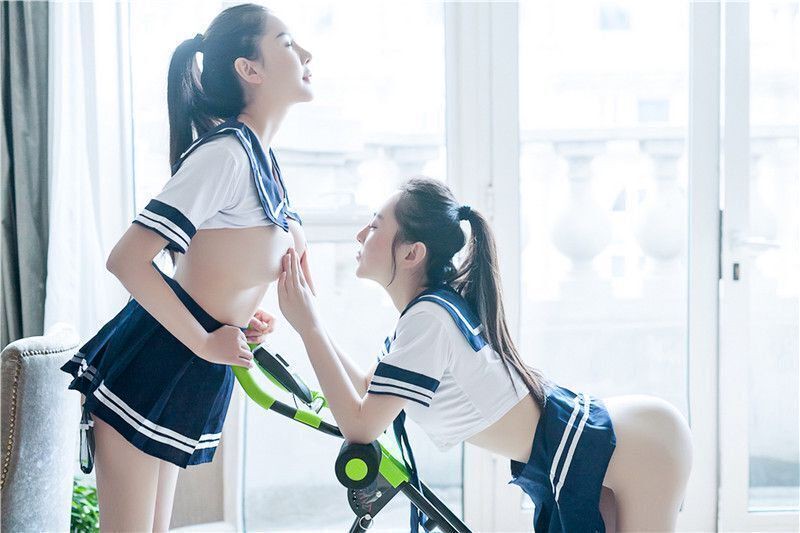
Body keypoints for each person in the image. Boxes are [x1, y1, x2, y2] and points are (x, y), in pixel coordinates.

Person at [276, 177, 693, 532]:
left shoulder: (429, 320)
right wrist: (307, 324)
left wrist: (309, 326)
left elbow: (361, 425)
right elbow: (368, 390)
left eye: (373, 226)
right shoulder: (427, 314)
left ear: (411, 253)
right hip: (621, 438)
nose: (359, 236)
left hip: (634, 445)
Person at [59, 4, 313, 531]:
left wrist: (240, 316)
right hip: (154, 360)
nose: (307, 54)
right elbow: (126, 259)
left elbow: (219, 263)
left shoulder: (261, 159)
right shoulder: (226, 155)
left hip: (192, 366)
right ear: (250, 68)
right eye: (289, 43)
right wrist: (204, 340)